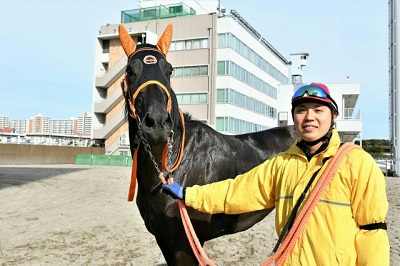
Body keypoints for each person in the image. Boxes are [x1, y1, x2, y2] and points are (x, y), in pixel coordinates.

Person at [163, 82, 390, 265]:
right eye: (301, 110)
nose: (309, 117)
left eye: (318, 110)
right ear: (294, 118)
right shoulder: (281, 164)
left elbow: (372, 233)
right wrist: (188, 194)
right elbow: (235, 191)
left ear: (333, 117)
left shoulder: (358, 163)